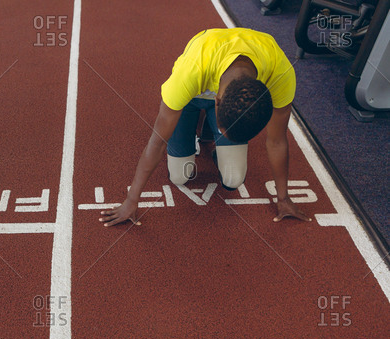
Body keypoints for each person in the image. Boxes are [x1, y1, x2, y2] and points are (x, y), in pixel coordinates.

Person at [99, 28, 311, 227]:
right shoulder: (190, 71)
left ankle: (210, 133)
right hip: (190, 100)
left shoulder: (280, 73)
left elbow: (276, 140)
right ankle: (198, 127)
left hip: (223, 97)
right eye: (225, 131)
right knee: (180, 177)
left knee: (234, 178)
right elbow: (157, 141)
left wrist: (283, 198)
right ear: (218, 101)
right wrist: (131, 200)